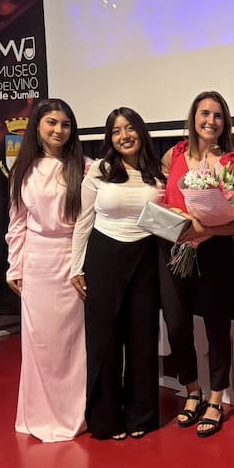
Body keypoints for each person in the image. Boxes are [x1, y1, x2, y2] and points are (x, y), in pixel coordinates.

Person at [70, 107, 165, 441]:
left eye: (129, 128)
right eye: (116, 131)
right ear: (109, 139)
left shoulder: (157, 173)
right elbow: (83, 220)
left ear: (141, 131)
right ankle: (105, 419)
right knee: (105, 340)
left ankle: (142, 416)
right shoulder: (99, 170)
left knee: (143, 337)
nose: (124, 136)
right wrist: (76, 266)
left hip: (146, 257)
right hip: (104, 256)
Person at [159, 91, 234, 438]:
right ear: (193, 117)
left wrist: (204, 229)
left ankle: (215, 398)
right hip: (174, 250)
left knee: (216, 325)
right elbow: (163, 198)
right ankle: (192, 390)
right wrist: (175, 218)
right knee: (176, 324)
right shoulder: (174, 154)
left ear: (225, 122)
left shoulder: (231, 163)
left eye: (217, 115)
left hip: (215, 253)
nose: (210, 121)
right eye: (204, 113)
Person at [6, 98, 87, 442]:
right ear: (37, 126)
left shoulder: (85, 166)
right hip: (37, 263)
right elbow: (17, 222)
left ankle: (75, 412)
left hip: (72, 261)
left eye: (65, 124)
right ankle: (38, 413)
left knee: (72, 342)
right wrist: (15, 266)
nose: (59, 130)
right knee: (39, 342)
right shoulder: (23, 169)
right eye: (51, 123)